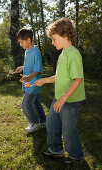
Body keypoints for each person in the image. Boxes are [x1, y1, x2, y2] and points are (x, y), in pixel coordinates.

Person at [34, 17, 86, 164]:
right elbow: (59, 76)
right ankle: (56, 149)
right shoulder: (63, 54)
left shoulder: (73, 54)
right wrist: (45, 80)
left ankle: (76, 155)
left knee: (68, 130)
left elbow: (78, 79)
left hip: (70, 101)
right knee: (51, 124)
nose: (52, 42)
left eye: (54, 39)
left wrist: (63, 98)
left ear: (65, 36)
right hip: (59, 98)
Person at [11, 28, 46, 133]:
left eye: (22, 42)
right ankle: (43, 122)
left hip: (33, 83)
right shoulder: (27, 51)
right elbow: (29, 64)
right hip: (29, 82)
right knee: (35, 103)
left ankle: (34, 122)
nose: (20, 44)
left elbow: (38, 70)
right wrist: (21, 67)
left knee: (25, 104)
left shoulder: (36, 52)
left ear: (29, 40)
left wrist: (28, 78)